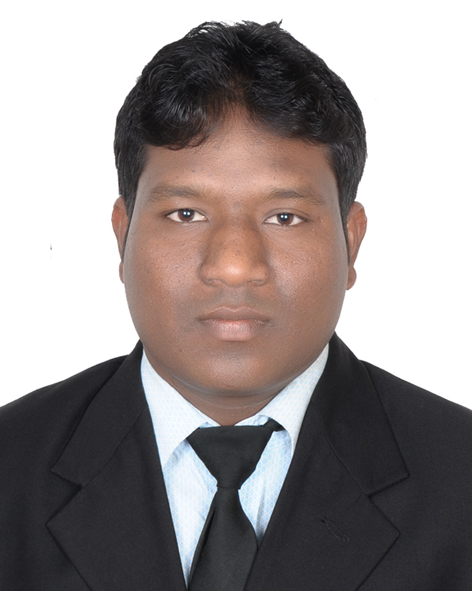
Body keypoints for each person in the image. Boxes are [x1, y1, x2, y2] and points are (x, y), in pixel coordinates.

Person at [1, 20, 471, 591]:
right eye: (186, 214)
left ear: (351, 241)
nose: (233, 265)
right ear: (123, 236)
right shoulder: (11, 466)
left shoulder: (460, 479)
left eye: (284, 217)